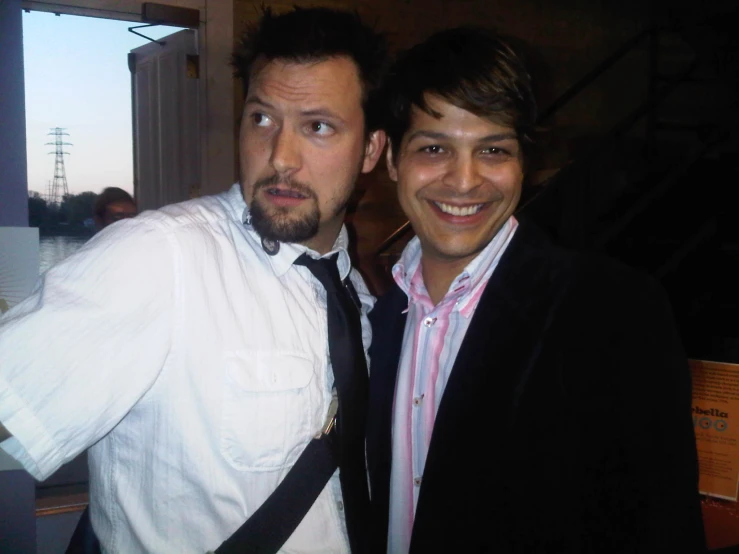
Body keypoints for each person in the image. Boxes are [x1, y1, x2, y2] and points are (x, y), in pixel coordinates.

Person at [0, 7, 387, 553]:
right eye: (261, 119)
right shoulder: (160, 257)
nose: (280, 155)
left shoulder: (359, 295)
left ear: (370, 149)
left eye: (318, 126)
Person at [366, 27, 706, 554]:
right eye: (434, 148)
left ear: (524, 163)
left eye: (493, 150)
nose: (463, 180)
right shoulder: (378, 317)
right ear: (391, 160)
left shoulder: (613, 312)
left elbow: (662, 527)